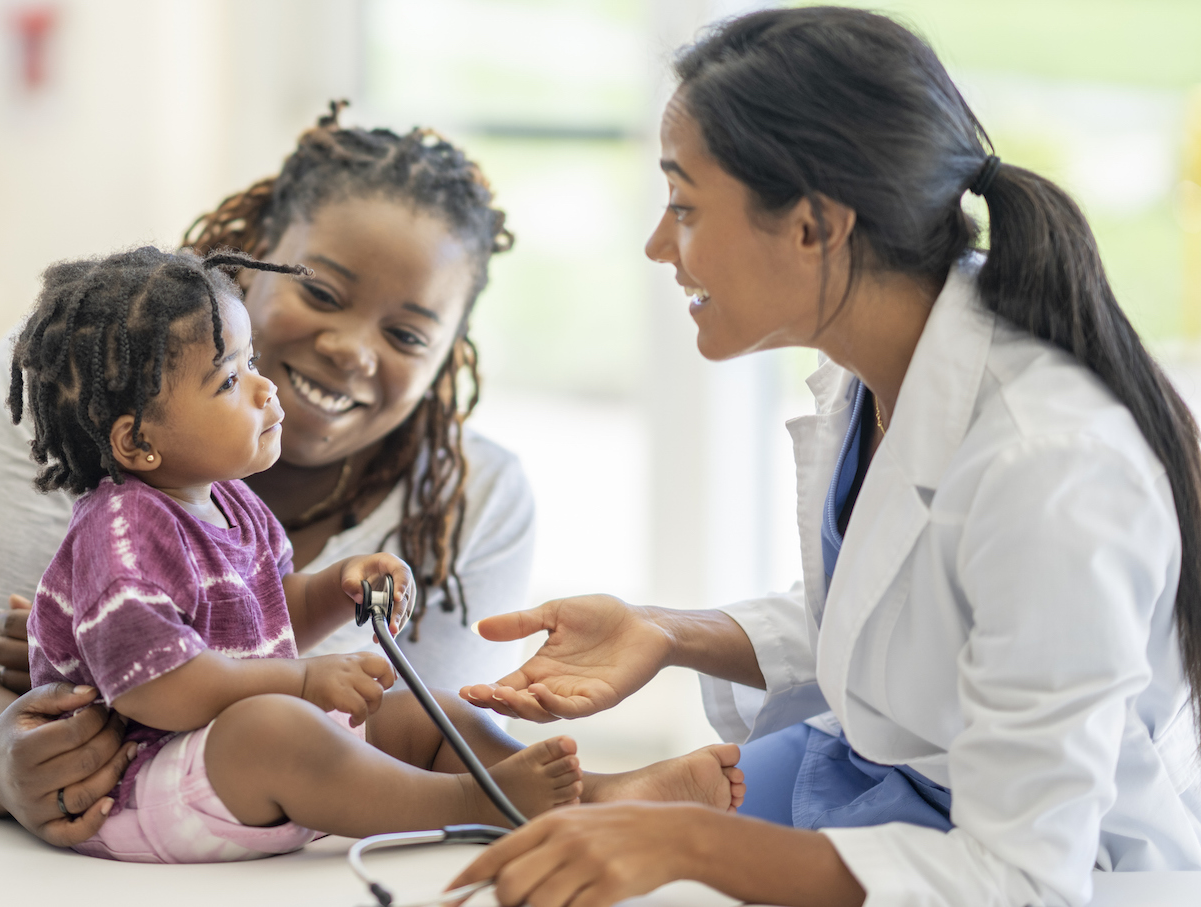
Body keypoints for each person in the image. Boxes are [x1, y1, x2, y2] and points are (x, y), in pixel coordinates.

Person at [452, 8, 1201, 907]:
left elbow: (1023, 877)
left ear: (815, 227)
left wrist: (692, 839)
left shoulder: (1052, 469)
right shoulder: (874, 372)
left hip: (1044, 866)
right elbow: (902, 620)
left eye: (685, 205)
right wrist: (668, 631)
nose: (659, 245)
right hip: (894, 776)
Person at [0, 103, 539, 848]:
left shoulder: (465, 500)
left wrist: (323, 600)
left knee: (439, 721)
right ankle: (503, 805)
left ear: (452, 357)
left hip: (260, 826)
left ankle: (601, 799)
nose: (351, 349)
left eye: (407, 333)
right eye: (320, 290)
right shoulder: (77, 390)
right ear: (250, 259)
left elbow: (392, 722)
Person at [12, 247, 742, 863]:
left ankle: (599, 796)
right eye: (230, 380)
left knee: (430, 715)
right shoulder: (121, 529)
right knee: (278, 726)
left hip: (226, 767)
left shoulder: (230, 502)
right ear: (139, 441)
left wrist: (337, 587)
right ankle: (476, 804)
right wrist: (301, 683)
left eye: (250, 360)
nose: (264, 389)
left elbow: (272, 618)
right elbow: (157, 689)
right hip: (142, 787)